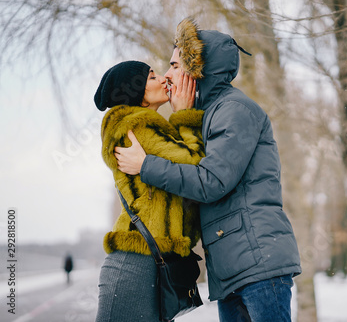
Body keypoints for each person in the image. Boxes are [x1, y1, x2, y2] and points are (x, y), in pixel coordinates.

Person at [115, 19, 302, 322]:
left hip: (259, 266)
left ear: (196, 69)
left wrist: (145, 166)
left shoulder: (234, 110)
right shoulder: (210, 114)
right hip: (233, 271)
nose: (167, 74)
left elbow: (210, 181)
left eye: (175, 65)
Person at [93, 60, 205, 321]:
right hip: (136, 265)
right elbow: (195, 165)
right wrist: (184, 114)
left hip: (148, 263)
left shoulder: (144, 126)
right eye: (152, 77)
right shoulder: (137, 127)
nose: (163, 80)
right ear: (135, 92)